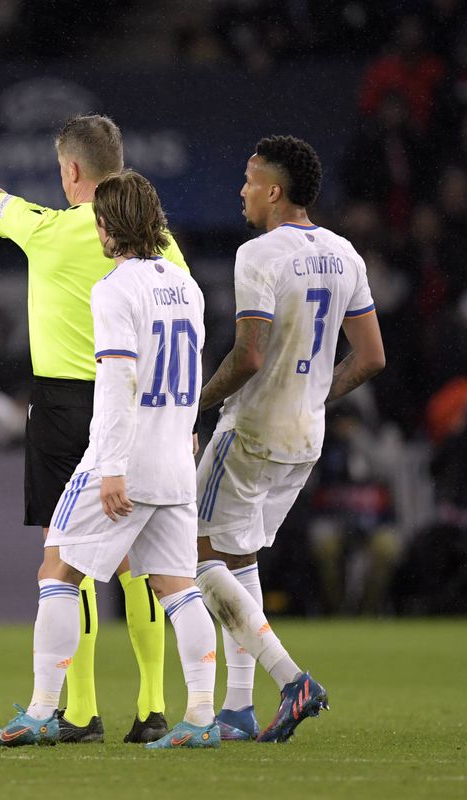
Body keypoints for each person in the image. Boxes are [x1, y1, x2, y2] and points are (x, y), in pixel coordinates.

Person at [0, 80, 192, 743]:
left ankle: (80, 710)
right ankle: (152, 708)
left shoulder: (51, 232)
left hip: (66, 408)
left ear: (70, 171)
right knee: (144, 559)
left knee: (68, 557)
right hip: (147, 411)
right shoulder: (165, 246)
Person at [0, 170, 218, 749]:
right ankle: (202, 718)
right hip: (174, 458)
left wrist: (110, 465)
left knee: (57, 571)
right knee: (177, 587)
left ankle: (43, 711)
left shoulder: (114, 289)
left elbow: (116, 381)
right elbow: (190, 375)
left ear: (109, 226)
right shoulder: (188, 287)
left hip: (124, 457)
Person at [194, 135, 386, 742]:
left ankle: (292, 678)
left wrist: (191, 403)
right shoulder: (345, 254)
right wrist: (314, 396)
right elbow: (373, 356)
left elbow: (249, 356)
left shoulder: (259, 255)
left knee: (188, 556)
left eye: (250, 182)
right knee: (239, 557)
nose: (242, 191)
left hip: (251, 431)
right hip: (305, 439)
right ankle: (238, 709)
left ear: (274, 192)